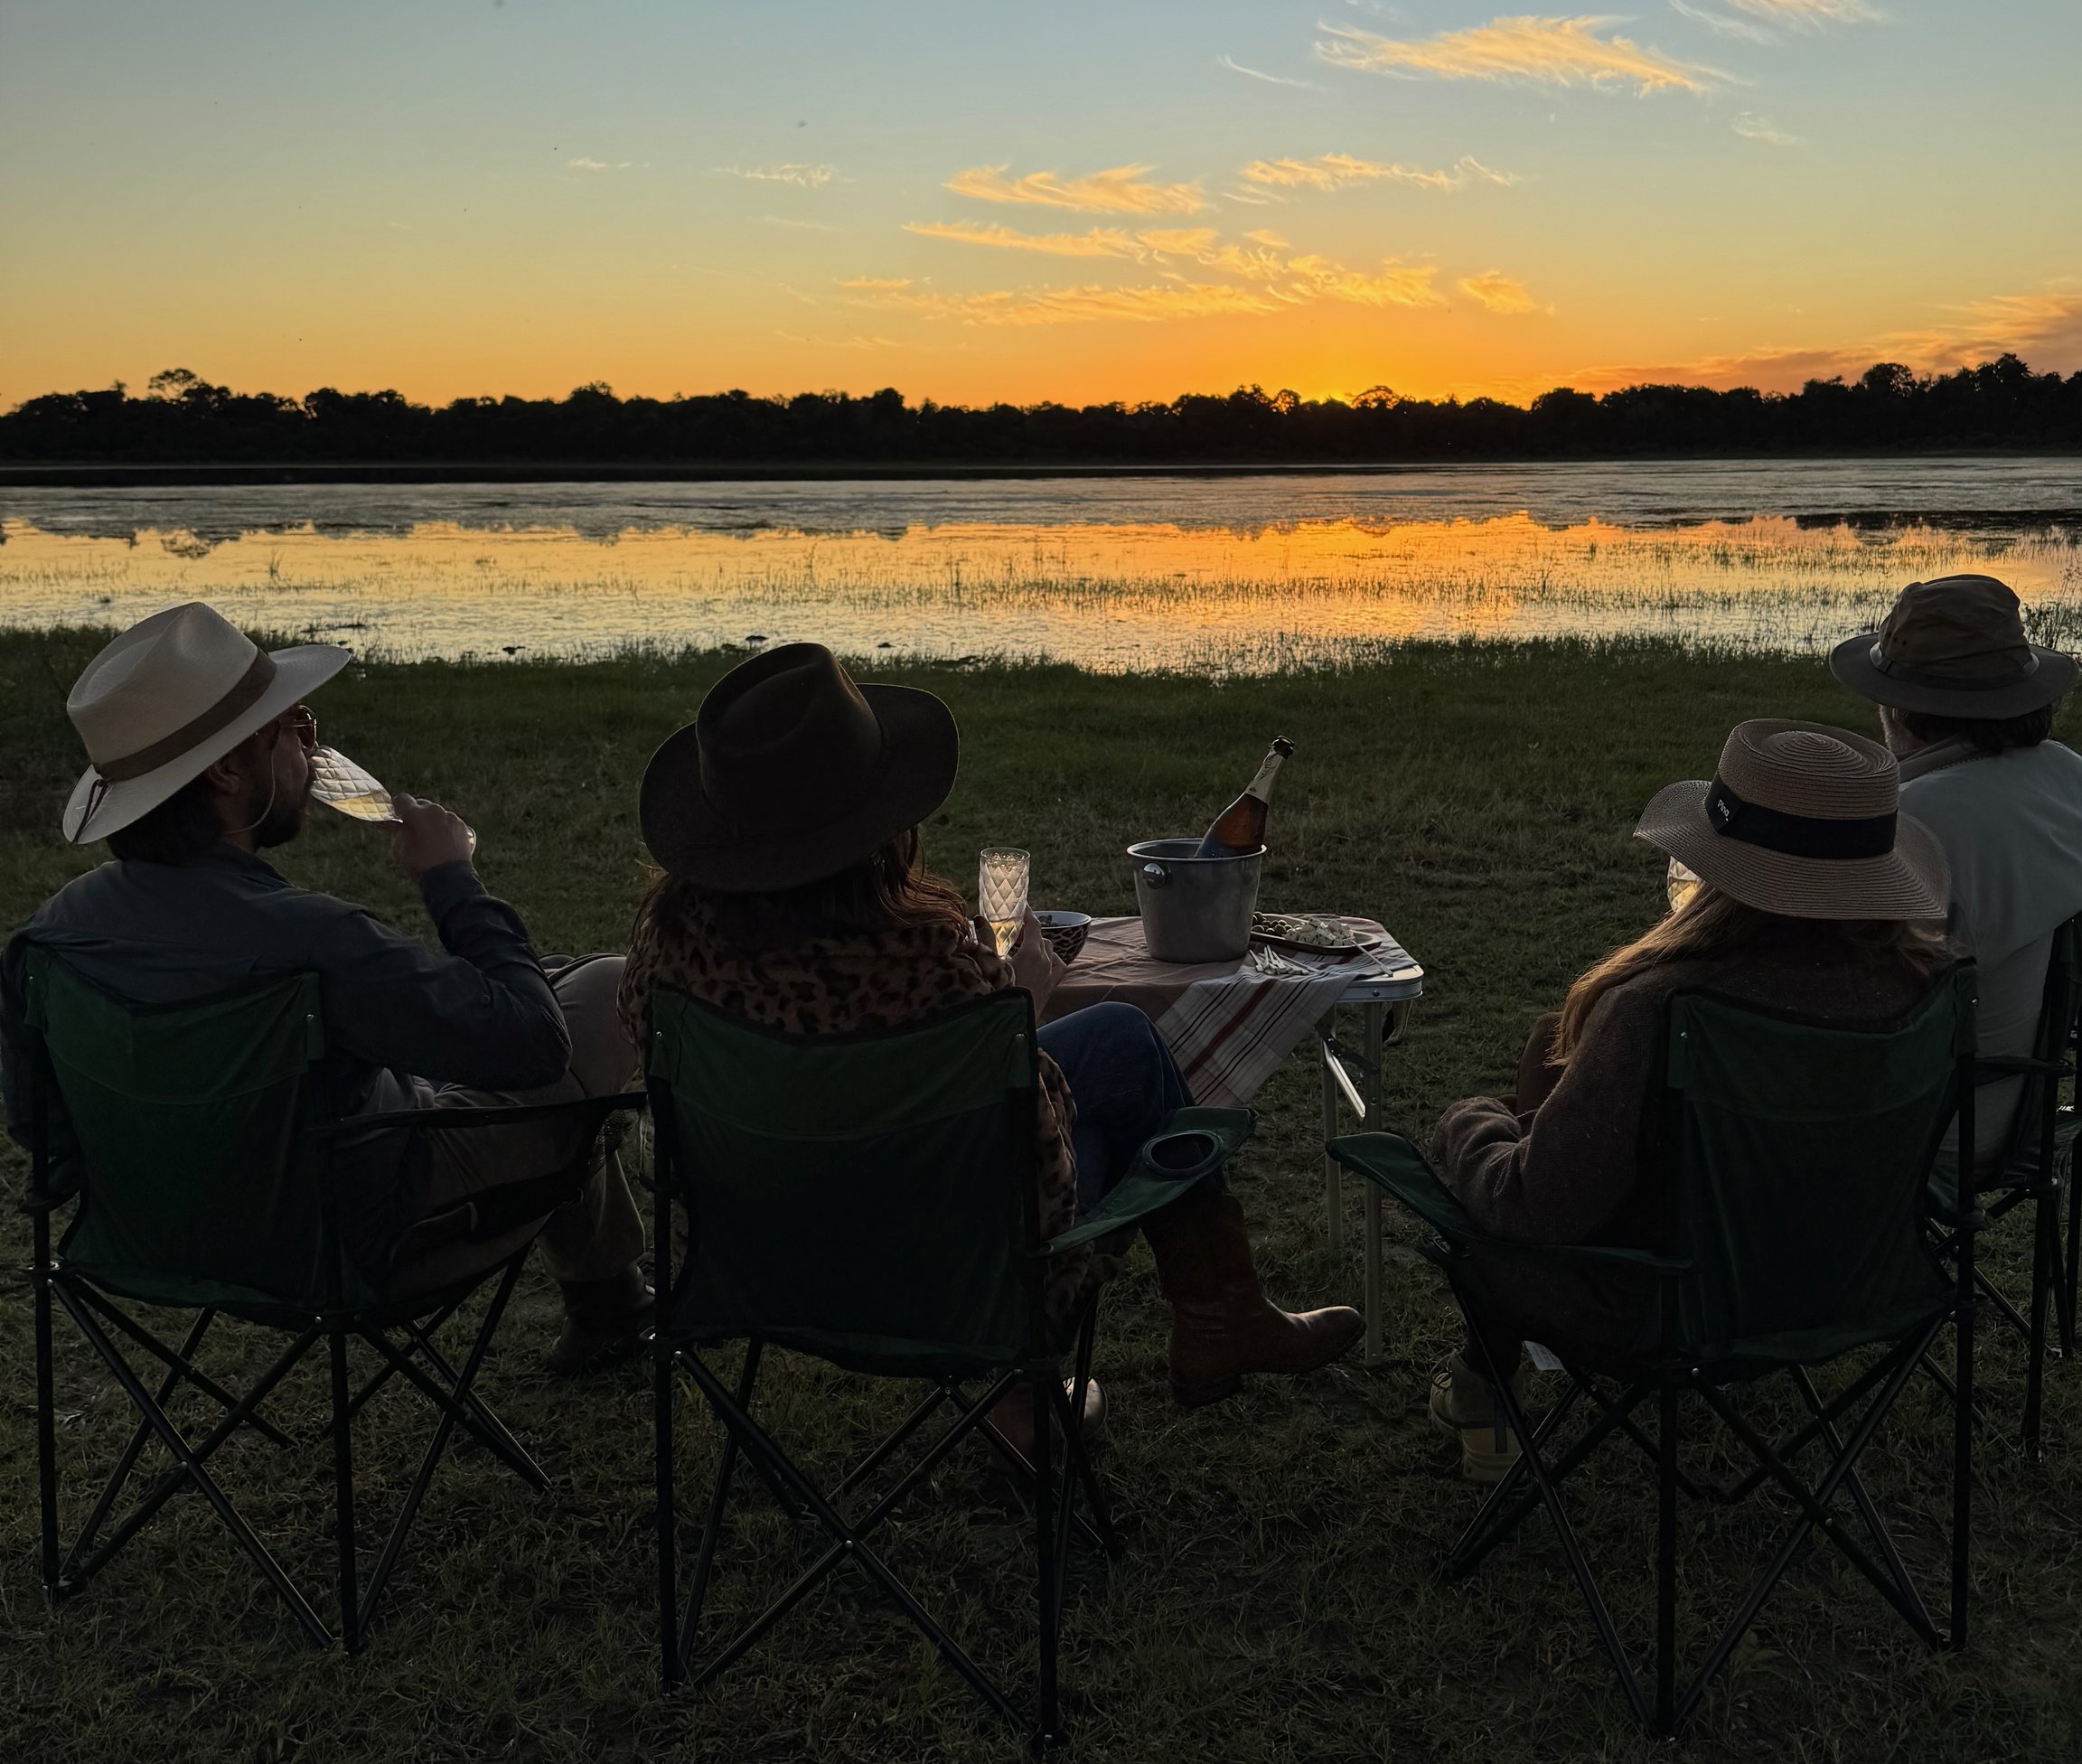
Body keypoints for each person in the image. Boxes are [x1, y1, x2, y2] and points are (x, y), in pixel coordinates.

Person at [617, 642, 1362, 1419]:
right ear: (880, 824)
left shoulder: (666, 958)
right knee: (1120, 1090)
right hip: (954, 1282)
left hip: (749, 1262)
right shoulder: (925, 966)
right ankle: (1104, 1367)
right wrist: (1022, 1003)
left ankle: (1211, 1324)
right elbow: (1042, 1164)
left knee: (1118, 1036)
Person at [0, 601, 645, 1375]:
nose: (312, 747)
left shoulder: (49, 936)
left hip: (154, 1242)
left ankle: (610, 1305)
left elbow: (45, 1138)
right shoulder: (314, 941)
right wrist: (452, 881)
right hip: (359, 1244)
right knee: (604, 989)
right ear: (228, 769)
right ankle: (609, 1304)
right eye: (292, 727)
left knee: (526, 993)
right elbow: (534, 1047)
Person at [1425, 720, 1951, 1478]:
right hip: (1855, 1287)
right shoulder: (1921, 986)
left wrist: (1467, 1124)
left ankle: (1482, 1391)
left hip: (1665, 1312)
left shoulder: (1657, 1006)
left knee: (1482, 1229)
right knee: (1555, 1051)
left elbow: (1533, 1210)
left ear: (1715, 867)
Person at [1828, 573, 2082, 1168]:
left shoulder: (1915, 821)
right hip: (2017, 1109)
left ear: (1899, 709)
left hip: (1920, 1125)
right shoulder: (2070, 778)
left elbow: (1842, 1004)